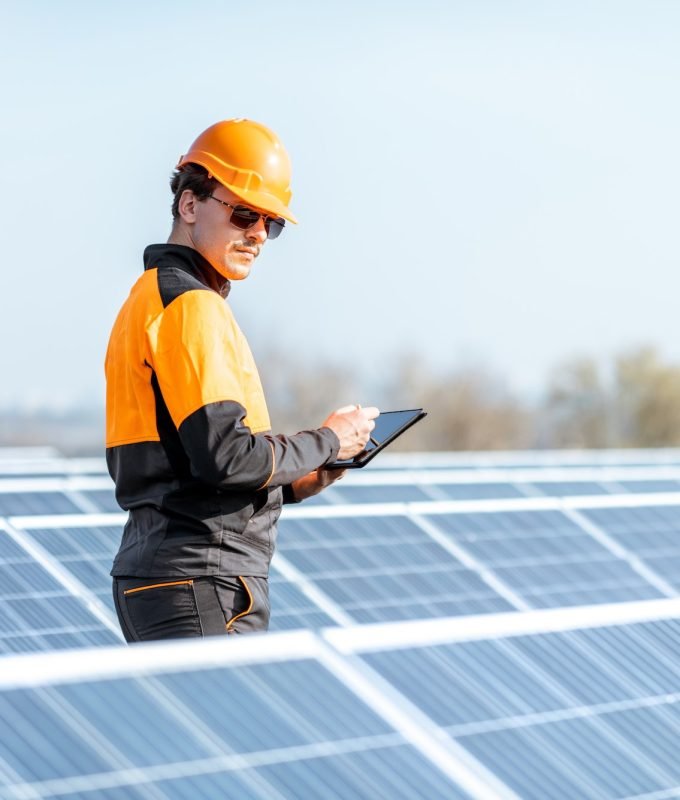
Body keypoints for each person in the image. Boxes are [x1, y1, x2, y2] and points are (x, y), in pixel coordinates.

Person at [105, 118, 378, 641]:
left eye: (269, 224)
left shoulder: (150, 298)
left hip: (169, 573)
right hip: (200, 578)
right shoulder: (190, 306)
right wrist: (326, 440)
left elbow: (197, 471)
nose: (257, 234)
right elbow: (227, 457)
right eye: (244, 214)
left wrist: (316, 468)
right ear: (190, 205)